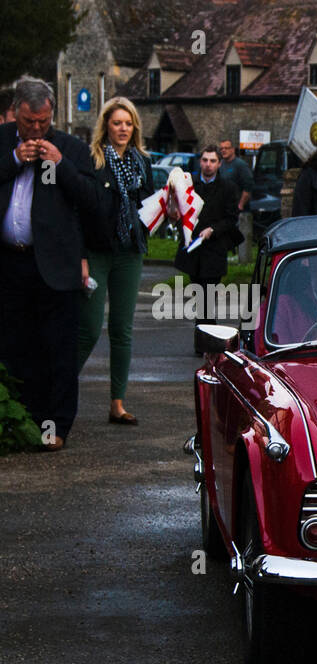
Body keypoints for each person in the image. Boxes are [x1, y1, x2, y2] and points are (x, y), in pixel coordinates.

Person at [0, 76, 98, 452]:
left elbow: (91, 202)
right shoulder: (3, 143)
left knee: (57, 349)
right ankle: (21, 424)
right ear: (15, 114)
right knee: (15, 346)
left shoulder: (70, 148)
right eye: (29, 123)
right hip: (11, 264)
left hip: (56, 267)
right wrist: (13, 160)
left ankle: (54, 428)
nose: (37, 130)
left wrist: (60, 166)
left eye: (43, 122)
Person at [76, 96, 151, 425]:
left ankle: (116, 403)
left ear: (135, 127)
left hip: (129, 251)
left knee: (122, 330)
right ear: (106, 125)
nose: (123, 128)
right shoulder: (92, 160)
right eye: (117, 122)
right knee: (89, 329)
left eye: (128, 123)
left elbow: (150, 206)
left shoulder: (142, 162)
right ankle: (57, 391)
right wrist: (80, 256)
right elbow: (77, 212)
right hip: (97, 252)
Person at [172, 145, 242, 353]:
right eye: (204, 160)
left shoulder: (228, 187)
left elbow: (231, 218)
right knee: (199, 295)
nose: (208, 165)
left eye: (212, 161)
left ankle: (207, 342)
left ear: (219, 164)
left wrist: (213, 229)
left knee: (207, 297)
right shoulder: (190, 185)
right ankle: (204, 340)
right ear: (199, 162)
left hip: (214, 248)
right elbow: (180, 209)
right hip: (194, 248)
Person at [217, 138, 253, 213]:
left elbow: (248, 187)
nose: (223, 150)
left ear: (232, 150)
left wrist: (241, 205)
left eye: (226, 148)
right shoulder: (220, 164)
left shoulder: (241, 165)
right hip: (224, 207)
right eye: (221, 149)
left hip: (237, 208)